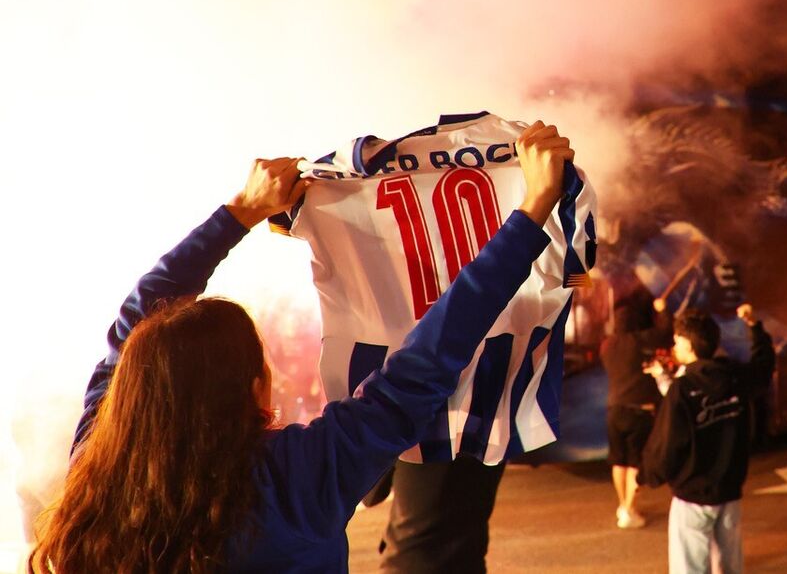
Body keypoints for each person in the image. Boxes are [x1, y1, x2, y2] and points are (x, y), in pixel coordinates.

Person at [30, 123, 574, 573]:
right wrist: (532, 211)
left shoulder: (94, 468)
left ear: (134, 384)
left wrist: (240, 211)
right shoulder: (295, 474)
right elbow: (429, 357)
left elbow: (138, 318)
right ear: (251, 389)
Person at [640, 303, 775, 574]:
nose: (674, 347)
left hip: (692, 497)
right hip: (729, 491)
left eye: (677, 342)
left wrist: (648, 474)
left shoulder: (682, 389)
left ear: (689, 345)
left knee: (689, 567)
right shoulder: (735, 376)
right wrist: (754, 327)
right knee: (729, 565)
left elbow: (667, 443)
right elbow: (764, 366)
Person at [601, 292, 672, 529]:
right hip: (638, 412)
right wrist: (662, 310)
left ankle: (623, 505)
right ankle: (629, 509)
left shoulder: (607, 346)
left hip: (614, 410)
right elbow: (665, 333)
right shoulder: (639, 340)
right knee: (635, 463)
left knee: (618, 462)